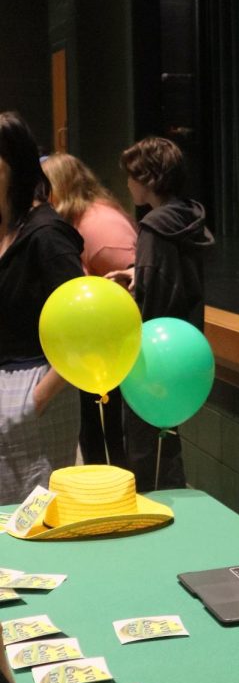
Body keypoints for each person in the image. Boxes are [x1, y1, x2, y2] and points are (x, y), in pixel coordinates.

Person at [107, 136, 214, 490]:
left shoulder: (153, 226)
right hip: (183, 348)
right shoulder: (186, 217)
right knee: (168, 445)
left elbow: (153, 298)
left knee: (142, 449)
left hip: (152, 357)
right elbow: (174, 278)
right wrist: (138, 274)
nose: (127, 183)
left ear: (149, 179)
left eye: (132, 176)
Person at [0, 112, 84, 504]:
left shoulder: (47, 234)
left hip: (35, 387)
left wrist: (37, 399)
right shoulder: (6, 226)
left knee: (35, 517)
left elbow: (82, 328)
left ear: (12, 165)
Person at [42, 152, 137, 465]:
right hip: (90, 347)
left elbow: (136, 283)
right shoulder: (73, 220)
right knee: (92, 431)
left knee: (114, 436)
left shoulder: (100, 225)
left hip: (112, 349)